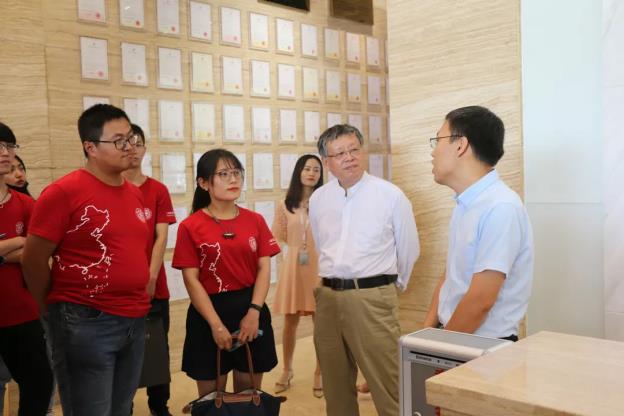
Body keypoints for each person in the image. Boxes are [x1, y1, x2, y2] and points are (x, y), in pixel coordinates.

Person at [22, 104, 150, 416]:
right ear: (90, 147)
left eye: (131, 138)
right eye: (119, 140)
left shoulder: (134, 193)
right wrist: (50, 308)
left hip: (133, 318)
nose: (129, 146)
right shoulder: (64, 192)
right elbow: (33, 258)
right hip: (85, 320)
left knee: (121, 409)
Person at [309, 124, 420, 416]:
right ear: (326, 162)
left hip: (372, 298)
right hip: (328, 298)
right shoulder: (319, 199)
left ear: (363, 151)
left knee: (389, 387)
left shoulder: (390, 195)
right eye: (339, 153)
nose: (349, 157)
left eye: (354, 150)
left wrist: (388, 287)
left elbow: (409, 248)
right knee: (335, 387)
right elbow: (322, 245)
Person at [173, 149, 280, 397]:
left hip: (250, 308)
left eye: (236, 173)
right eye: (223, 174)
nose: (233, 179)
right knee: (212, 400)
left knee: (248, 395)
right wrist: (216, 325)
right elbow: (191, 279)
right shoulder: (190, 226)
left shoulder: (255, 220)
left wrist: (254, 311)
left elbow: (264, 268)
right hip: (208, 313)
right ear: (203, 183)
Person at [423, 106, 534, 341]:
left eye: (438, 140)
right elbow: (450, 276)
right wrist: (424, 337)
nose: (433, 152)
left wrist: (441, 347)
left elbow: (480, 301)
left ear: (460, 145)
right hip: (452, 338)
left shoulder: (501, 207)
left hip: (481, 346)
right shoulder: (465, 203)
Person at [122, 124, 176, 416]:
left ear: (145, 148)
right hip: (120, 288)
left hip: (154, 286)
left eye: (138, 142)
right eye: (126, 142)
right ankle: (124, 406)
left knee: (157, 347)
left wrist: (151, 277)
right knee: (121, 350)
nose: (132, 148)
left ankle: (159, 405)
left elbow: (161, 236)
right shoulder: (112, 188)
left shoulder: (157, 190)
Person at [0, 121, 54, 415]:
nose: (5, 153)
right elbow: (26, 246)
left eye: (9, 146)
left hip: (23, 311)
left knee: (39, 384)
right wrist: (18, 241)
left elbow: (37, 254)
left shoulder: (25, 204)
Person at [271, 154, 323, 397]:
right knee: (289, 323)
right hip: (293, 266)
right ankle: (287, 369)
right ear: (298, 172)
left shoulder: (325, 202)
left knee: (321, 324)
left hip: (319, 266)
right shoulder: (284, 204)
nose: (311, 173)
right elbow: (278, 235)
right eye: (307, 168)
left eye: (316, 169)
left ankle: (319, 372)